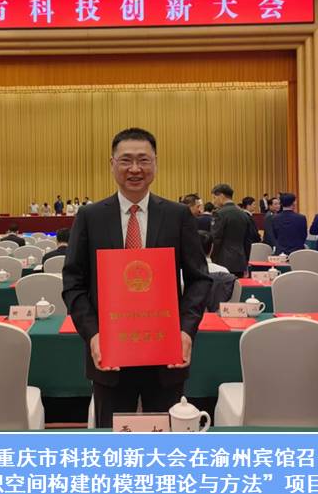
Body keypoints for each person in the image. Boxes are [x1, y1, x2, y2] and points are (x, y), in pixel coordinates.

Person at [62, 127, 211, 429]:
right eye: (126, 160)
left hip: (166, 354)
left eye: (143, 160)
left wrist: (185, 331)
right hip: (109, 355)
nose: (134, 169)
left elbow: (199, 279)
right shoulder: (90, 217)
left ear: (155, 163)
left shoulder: (177, 215)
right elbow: (73, 282)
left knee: (166, 437)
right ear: (112, 164)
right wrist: (93, 334)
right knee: (113, 438)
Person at [209, 183, 251, 277]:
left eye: (214, 197)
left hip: (222, 261)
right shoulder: (243, 214)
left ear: (221, 196)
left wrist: (212, 259)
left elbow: (216, 238)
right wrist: (246, 260)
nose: (213, 201)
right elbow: (248, 240)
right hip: (240, 261)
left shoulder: (219, 214)